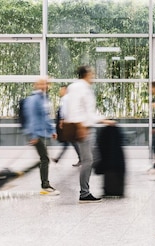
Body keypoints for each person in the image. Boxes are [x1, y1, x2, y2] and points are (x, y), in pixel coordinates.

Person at [63, 65, 116, 203]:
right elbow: (75, 109)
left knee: (94, 158)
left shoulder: (85, 87)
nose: (93, 75)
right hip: (84, 128)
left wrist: (104, 120)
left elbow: (88, 111)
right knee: (88, 161)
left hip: (88, 127)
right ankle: (84, 193)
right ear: (86, 74)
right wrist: (80, 127)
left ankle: (95, 187)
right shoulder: (77, 87)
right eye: (92, 73)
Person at [23, 77, 59, 196]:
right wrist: (33, 135)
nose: (45, 86)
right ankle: (45, 186)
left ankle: (44, 183)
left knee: (43, 158)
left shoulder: (43, 98)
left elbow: (45, 117)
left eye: (46, 84)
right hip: (34, 133)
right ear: (36, 85)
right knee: (44, 158)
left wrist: (52, 130)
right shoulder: (34, 99)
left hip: (40, 133)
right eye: (42, 84)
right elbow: (32, 117)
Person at [52, 85, 81, 167]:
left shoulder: (65, 98)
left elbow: (64, 111)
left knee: (71, 141)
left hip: (67, 123)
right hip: (69, 122)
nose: (60, 91)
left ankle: (82, 158)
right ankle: (58, 158)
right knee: (69, 142)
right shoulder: (69, 99)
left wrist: (62, 121)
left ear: (65, 90)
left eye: (61, 90)